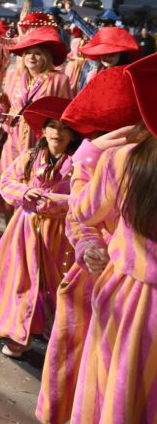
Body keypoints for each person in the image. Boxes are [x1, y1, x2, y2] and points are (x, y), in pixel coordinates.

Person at [36, 68, 141, 424]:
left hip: (125, 286)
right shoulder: (98, 158)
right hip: (98, 275)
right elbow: (80, 217)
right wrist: (89, 245)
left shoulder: (117, 158)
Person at [68, 52, 157, 423]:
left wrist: (87, 157)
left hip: (131, 297)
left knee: (118, 389)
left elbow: (83, 210)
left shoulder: (124, 160)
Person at [0, 96, 78, 358]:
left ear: (72, 135)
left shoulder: (79, 165)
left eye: (64, 128)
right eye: (52, 126)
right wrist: (24, 192)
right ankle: (19, 333)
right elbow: (7, 182)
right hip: (23, 230)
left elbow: (84, 198)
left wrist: (52, 202)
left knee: (54, 282)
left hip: (59, 234)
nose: (57, 132)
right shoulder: (29, 156)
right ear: (43, 130)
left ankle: (50, 323)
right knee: (21, 280)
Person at [0, 26, 72, 217]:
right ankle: (9, 224)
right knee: (10, 180)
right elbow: (5, 102)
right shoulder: (13, 75)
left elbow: (65, 112)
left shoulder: (59, 80)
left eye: (37, 53)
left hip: (39, 139)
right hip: (11, 137)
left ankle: (27, 223)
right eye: (28, 53)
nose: (31, 57)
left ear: (46, 57)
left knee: (33, 182)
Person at [74, 25, 140, 90]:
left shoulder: (130, 76)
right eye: (103, 53)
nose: (107, 57)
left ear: (121, 54)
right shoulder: (93, 75)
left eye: (112, 53)